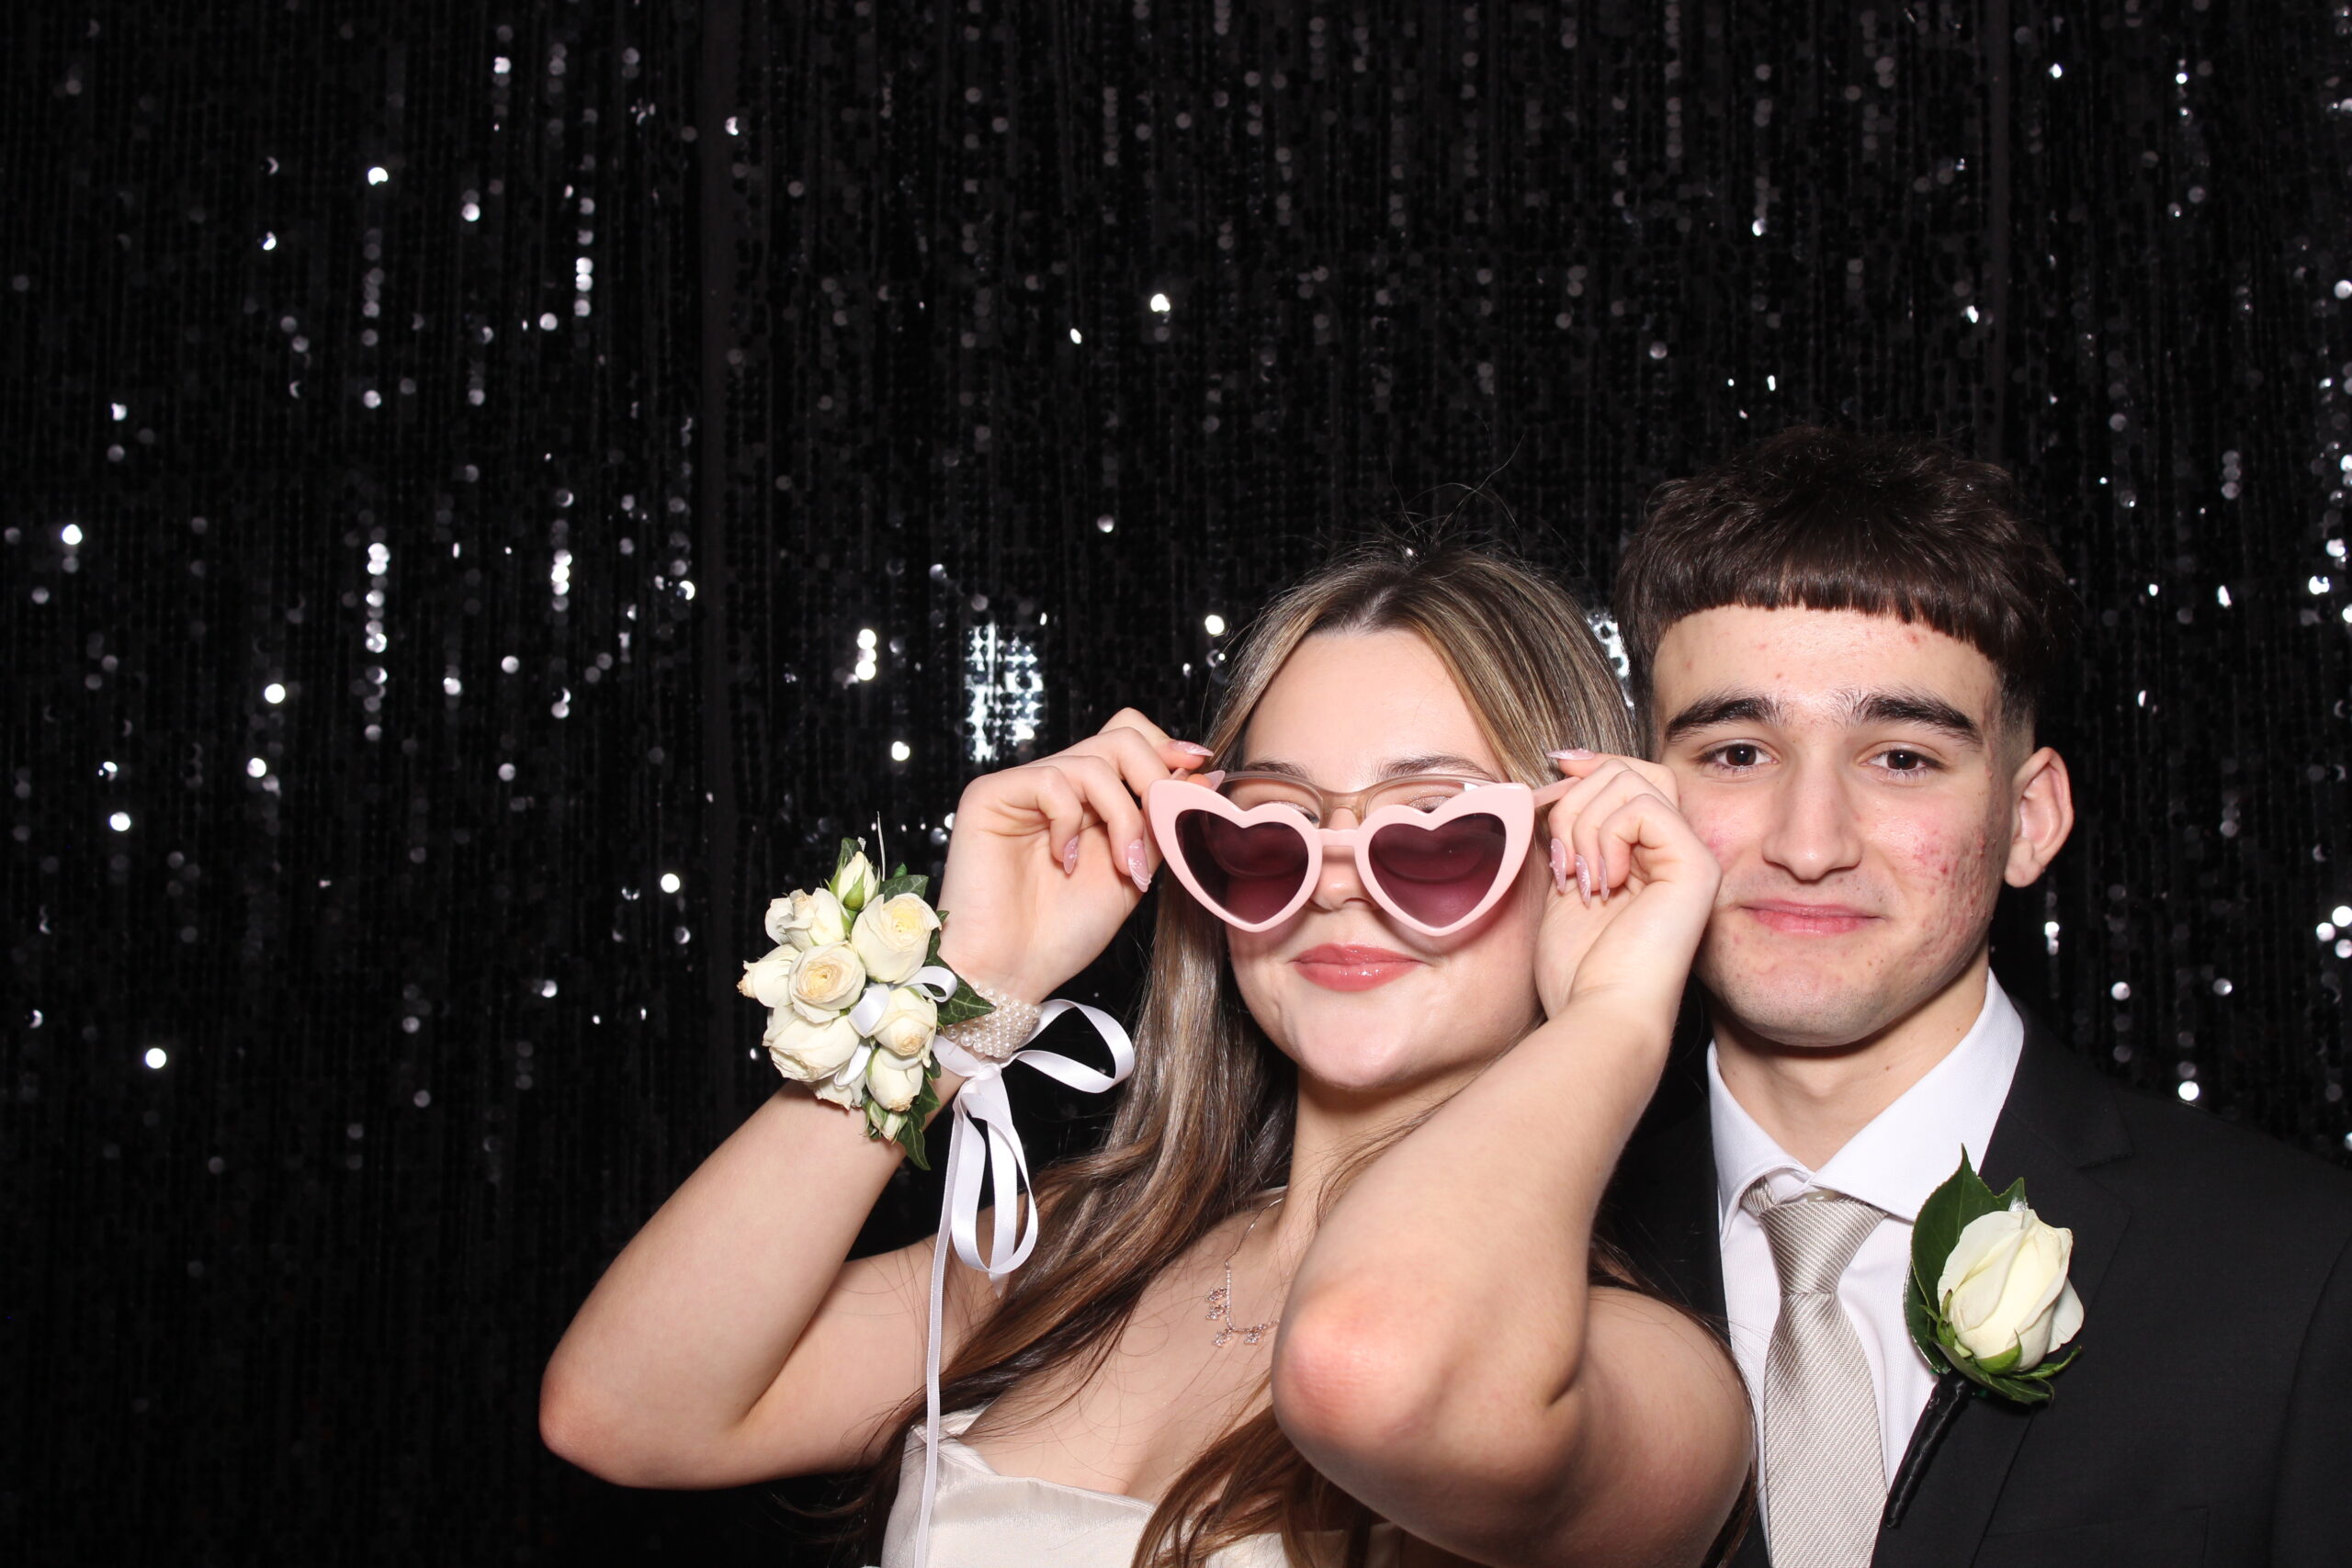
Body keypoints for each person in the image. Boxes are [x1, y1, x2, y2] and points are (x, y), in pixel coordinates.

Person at [539, 540, 1751, 1567]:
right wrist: (953, 1001)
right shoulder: (1078, 1249)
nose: (1334, 886)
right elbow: (627, 1407)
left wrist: (1613, 1012)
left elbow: (1373, 1364)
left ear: (1582, 868)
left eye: (1435, 832)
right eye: (1268, 829)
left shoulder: (1656, 1385)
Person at [1603, 426, 2352, 1568]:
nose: (1809, 843)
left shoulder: (2300, 1271)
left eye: (1901, 757)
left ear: (2028, 818)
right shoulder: (1550, 1264)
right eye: (1737, 753)